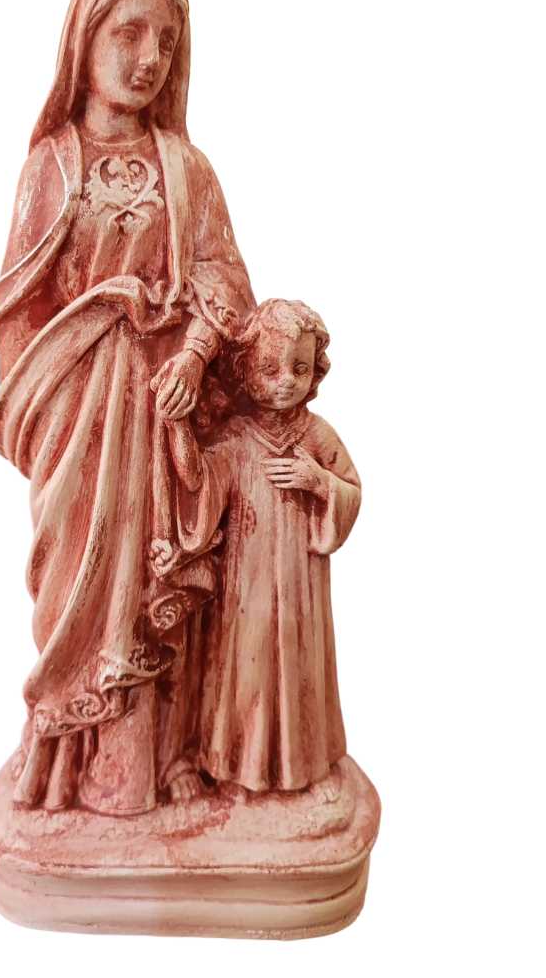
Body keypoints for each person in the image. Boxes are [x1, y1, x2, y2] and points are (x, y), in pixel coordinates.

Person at [0, 0, 254, 813]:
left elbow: (224, 280)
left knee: (152, 591)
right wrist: (69, 373)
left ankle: (154, 765)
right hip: (79, 427)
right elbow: (17, 317)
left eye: (166, 43)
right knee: (78, 580)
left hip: (164, 426)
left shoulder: (186, 168)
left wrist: (191, 355)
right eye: (129, 33)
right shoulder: (52, 166)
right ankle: (68, 766)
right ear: (84, 40)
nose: (148, 58)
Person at [155, 300, 362, 793]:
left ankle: (304, 767)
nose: (286, 381)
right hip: (245, 588)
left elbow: (351, 492)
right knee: (245, 672)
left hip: (299, 587)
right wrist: (177, 424)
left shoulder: (317, 436)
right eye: (270, 369)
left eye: (299, 369)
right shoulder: (236, 437)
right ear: (247, 370)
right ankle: (238, 770)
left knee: (300, 669)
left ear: (315, 372)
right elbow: (198, 483)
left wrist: (319, 482)